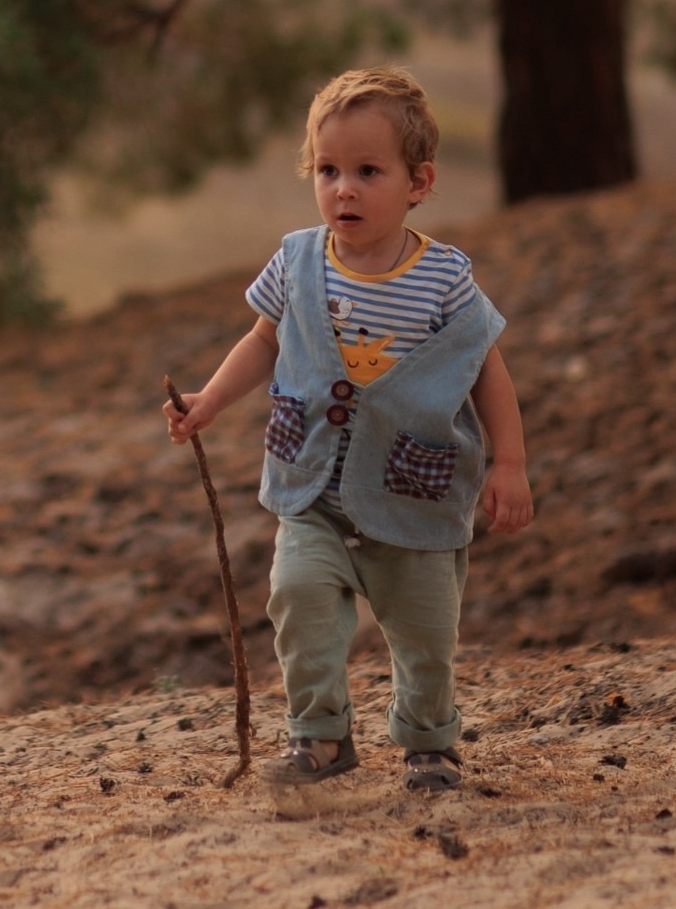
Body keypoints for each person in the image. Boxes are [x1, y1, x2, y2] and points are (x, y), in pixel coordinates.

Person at [164, 66, 534, 793]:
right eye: (328, 170)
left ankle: (429, 742)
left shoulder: (445, 280)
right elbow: (264, 340)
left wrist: (509, 462)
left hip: (413, 494)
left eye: (369, 171)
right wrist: (210, 398)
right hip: (313, 491)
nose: (344, 189)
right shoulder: (299, 262)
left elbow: (486, 369)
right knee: (298, 598)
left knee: (426, 634)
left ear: (418, 182)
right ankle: (322, 737)